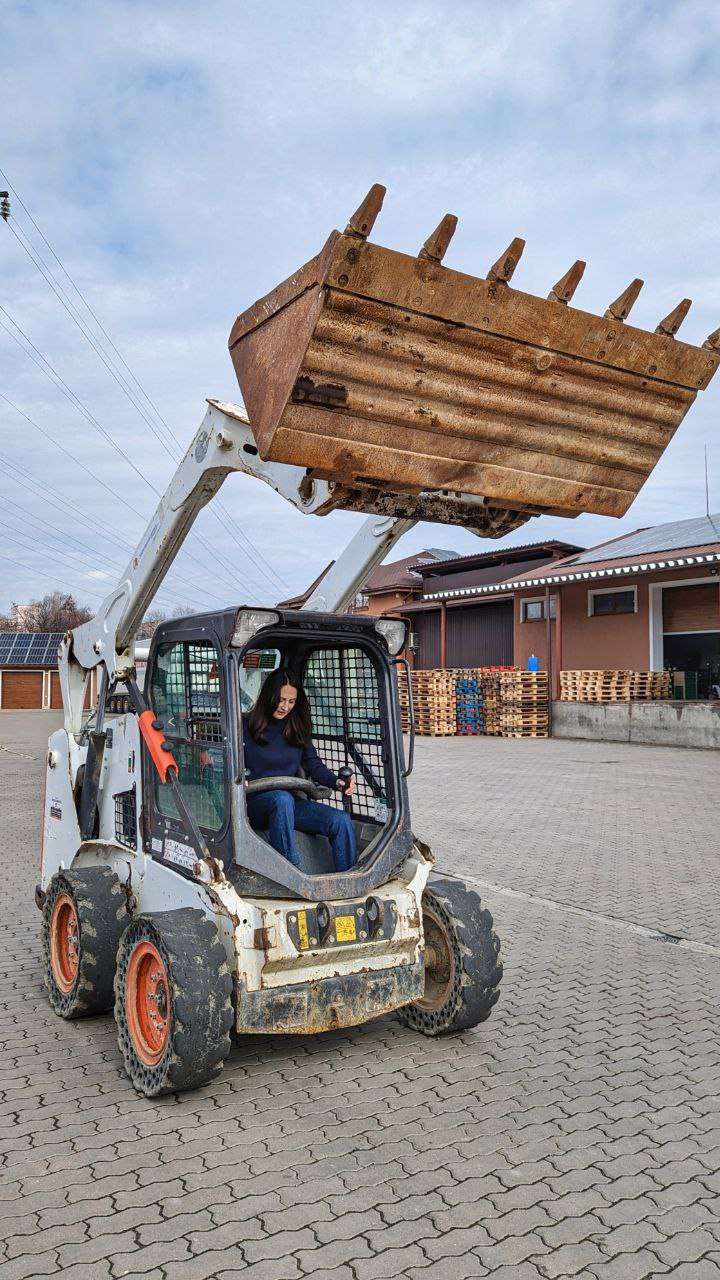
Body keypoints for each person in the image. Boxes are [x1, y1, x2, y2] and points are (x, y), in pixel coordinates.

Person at [242, 670, 357, 872]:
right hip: (255, 804)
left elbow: (313, 764)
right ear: (269, 696)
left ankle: (350, 879)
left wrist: (335, 781)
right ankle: (291, 872)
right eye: (281, 699)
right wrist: (237, 776)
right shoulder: (245, 725)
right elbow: (226, 758)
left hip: (290, 803)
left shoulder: (296, 728)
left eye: (291, 701)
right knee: (281, 799)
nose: (285, 706)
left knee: (340, 821)